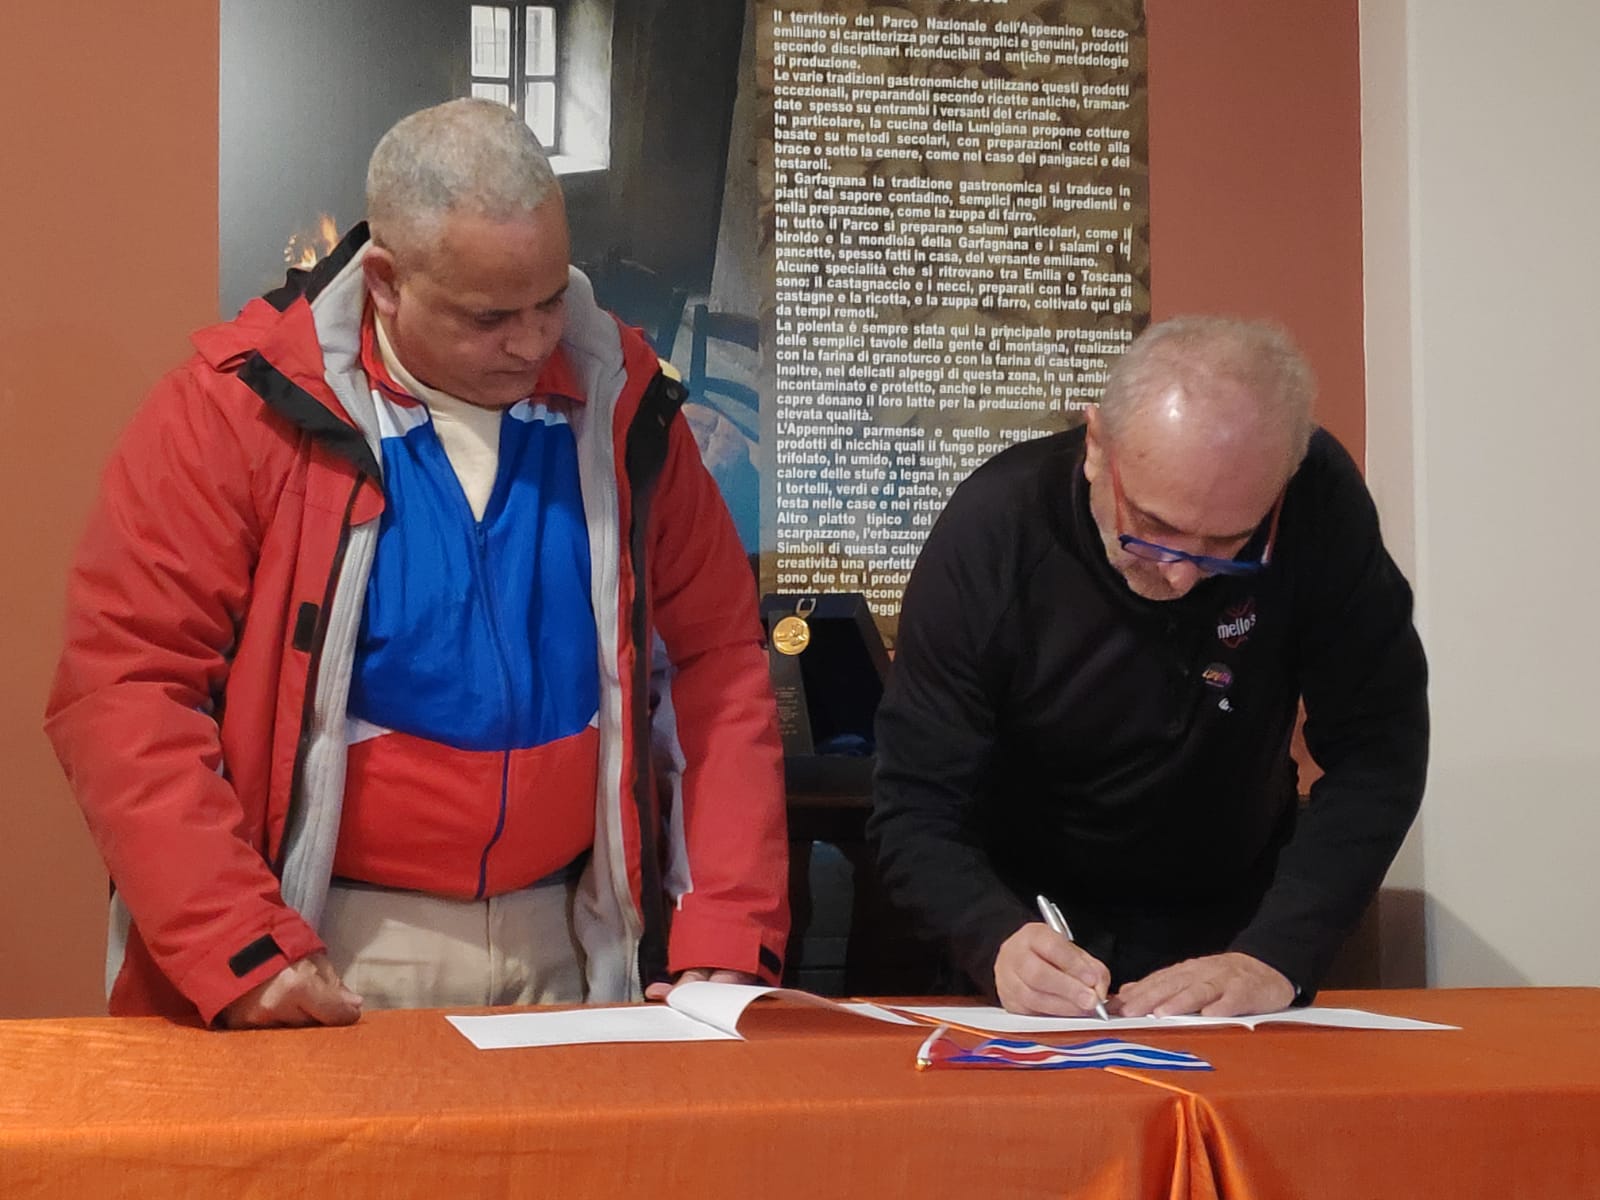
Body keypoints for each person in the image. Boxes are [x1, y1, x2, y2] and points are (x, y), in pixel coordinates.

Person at [45, 98, 788, 1028]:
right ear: (386, 283)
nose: (532, 340)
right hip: (327, 945)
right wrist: (237, 941)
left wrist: (729, 926)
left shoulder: (628, 409)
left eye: (551, 298)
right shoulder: (234, 412)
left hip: (577, 939)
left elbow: (718, 668)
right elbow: (127, 687)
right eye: (490, 315)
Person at [869, 316, 1427, 1018]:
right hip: (1025, 921)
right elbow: (914, 801)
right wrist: (990, 937)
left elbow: (1379, 745)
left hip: (1237, 924)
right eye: (1154, 528)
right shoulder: (996, 528)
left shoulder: (1317, 502)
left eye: (1229, 543)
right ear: (1096, 446)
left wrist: (1279, 953)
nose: (1182, 574)